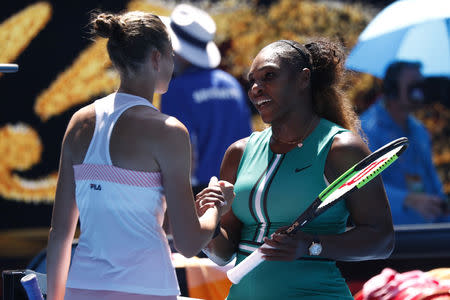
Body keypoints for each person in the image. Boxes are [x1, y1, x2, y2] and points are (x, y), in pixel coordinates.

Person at [46, 11, 234, 300]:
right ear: (157, 58)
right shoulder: (169, 131)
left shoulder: (78, 122)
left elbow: (60, 233)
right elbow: (187, 242)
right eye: (171, 55)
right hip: (148, 289)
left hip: (80, 289)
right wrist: (215, 209)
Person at [196, 39, 395, 299]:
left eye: (269, 76)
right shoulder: (238, 153)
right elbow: (223, 254)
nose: (256, 89)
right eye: (252, 81)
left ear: (303, 79)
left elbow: (382, 240)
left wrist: (310, 245)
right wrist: (208, 223)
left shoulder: (341, 148)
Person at [160, 4, 252, 194]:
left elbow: (181, 151)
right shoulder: (230, 84)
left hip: (197, 193)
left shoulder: (175, 89)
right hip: (238, 189)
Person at [360, 61, 449, 225]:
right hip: (391, 238)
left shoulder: (420, 131)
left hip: (427, 233)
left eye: (421, 85)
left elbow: (433, 183)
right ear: (393, 90)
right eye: (413, 86)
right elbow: (362, 187)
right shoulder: (368, 130)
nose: (419, 92)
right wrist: (407, 200)